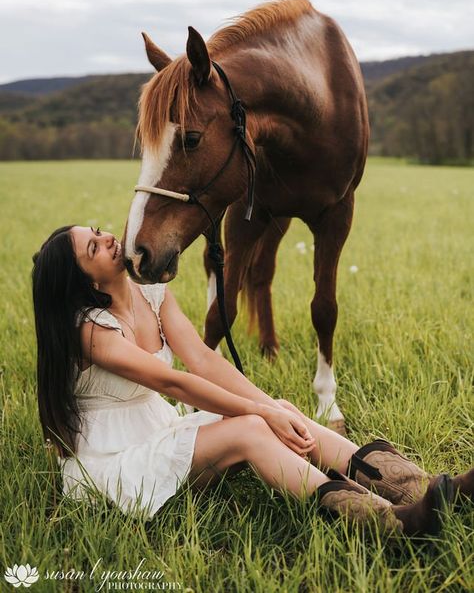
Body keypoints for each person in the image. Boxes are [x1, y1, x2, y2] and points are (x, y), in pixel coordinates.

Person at [32, 225, 473, 535]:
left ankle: (428, 487)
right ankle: (389, 524)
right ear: (85, 282)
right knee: (250, 427)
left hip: (159, 428)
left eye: (97, 231)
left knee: (276, 410)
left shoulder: (150, 292)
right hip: (116, 462)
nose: (109, 237)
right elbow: (175, 384)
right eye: (94, 248)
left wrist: (273, 408)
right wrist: (259, 412)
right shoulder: (88, 328)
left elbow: (203, 360)